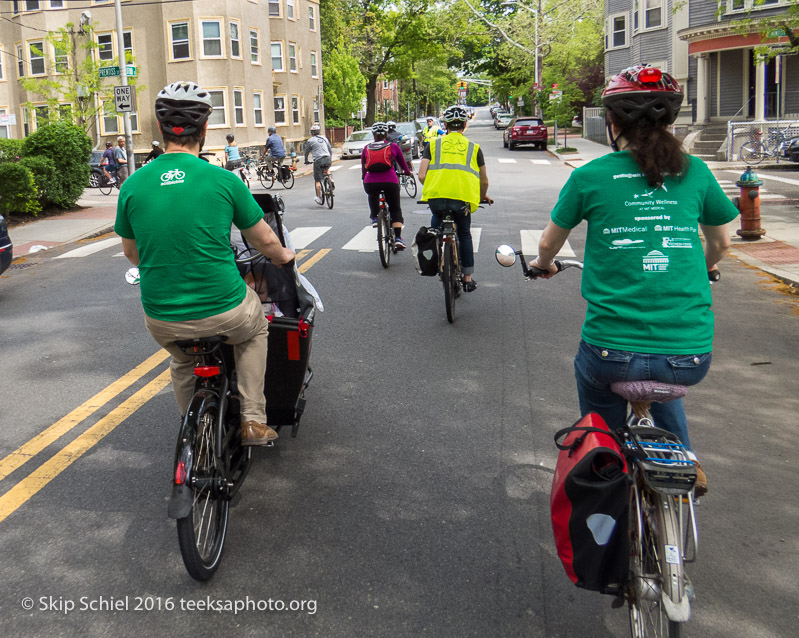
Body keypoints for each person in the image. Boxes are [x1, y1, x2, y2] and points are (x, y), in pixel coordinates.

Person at [531, 65, 739, 496]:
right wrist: (706, 267)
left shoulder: (589, 177)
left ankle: (606, 466)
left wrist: (542, 263)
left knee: (600, 419)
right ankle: (683, 458)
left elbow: (551, 242)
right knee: (665, 378)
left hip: (610, 353)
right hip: (690, 357)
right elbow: (722, 242)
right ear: (669, 122)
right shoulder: (695, 172)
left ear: (612, 123)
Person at [115, 81, 295, 446]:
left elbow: (132, 254)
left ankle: (193, 429)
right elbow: (264, 240)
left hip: (162, 316)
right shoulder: (223, 180)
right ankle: (253, 420)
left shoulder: (133, 185)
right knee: (256, 330)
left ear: (160, 128)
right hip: (224, 309)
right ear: (205, 129)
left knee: (182, 360)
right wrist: (283, 257)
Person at [418, 104, 491, 292]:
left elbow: (421, 175)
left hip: (436, 200)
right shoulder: (474, 148)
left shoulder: (433, 145)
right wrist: (482, 196)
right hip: (462, 201)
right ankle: (467, 277)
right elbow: (484, 181)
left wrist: (433, 189)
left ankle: (436, 261)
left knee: (435, 229)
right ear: (465, 125)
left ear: (445, 125)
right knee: (464, 234)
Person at [361, 122, 411, 250]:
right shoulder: (393, 146)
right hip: (390, 181)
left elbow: (364, 167)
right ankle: (398, 238)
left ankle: (374, 217)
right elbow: (402, 163)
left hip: (371, 181)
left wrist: (364, 177)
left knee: (372, 195)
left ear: (373, 135)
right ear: (386, 134)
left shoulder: (367, 148)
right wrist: (407, 172)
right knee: (395, 208)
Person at [304, 124, 333, 205]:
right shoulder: (324, 138)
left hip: (318, 160)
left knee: (317, 180)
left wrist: (306, 160)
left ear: (312, 133)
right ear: (319, 131)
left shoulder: (310, 141)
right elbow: (329, 149)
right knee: (327, 169)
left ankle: (319, 198)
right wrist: (330, 158)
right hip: (327, 158)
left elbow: (306, 152)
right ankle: (330, 179)